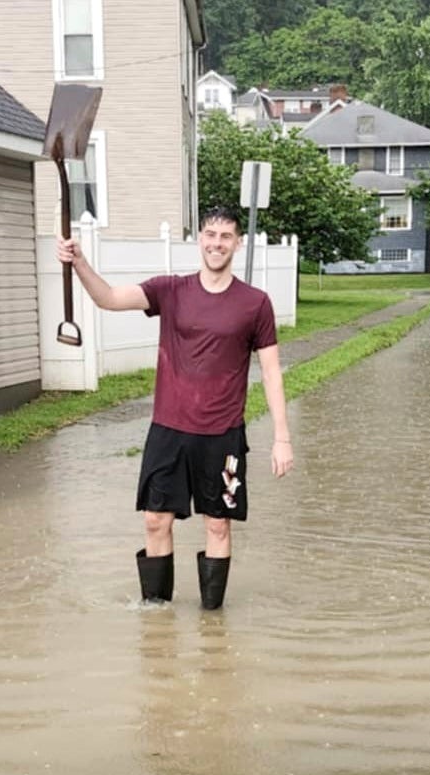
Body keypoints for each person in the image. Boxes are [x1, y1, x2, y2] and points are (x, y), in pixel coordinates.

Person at [56, 206, 294, 610]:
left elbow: (271, 373)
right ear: (199, 239)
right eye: (210, 234)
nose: (217, 243)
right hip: (168, 431)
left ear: (237, 243)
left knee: (218, 524)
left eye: (225, 237)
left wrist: (282, 438)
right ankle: (156, 614)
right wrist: (79, 262)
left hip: (223, 436)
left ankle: (212, 618)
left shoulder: (255, 304)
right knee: (155, 519)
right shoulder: (171, 290)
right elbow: (110, 299)